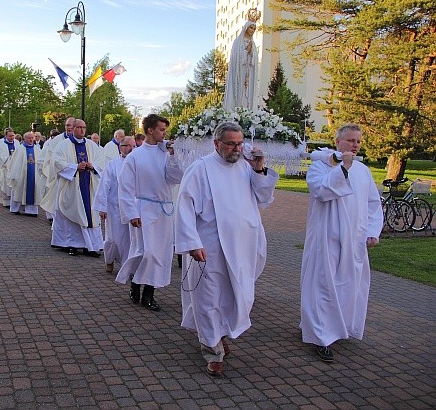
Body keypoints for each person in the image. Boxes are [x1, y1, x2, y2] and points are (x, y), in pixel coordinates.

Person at [175, 121, 279, 377]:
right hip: (209, 246)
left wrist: (259, 169)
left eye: (239, 143)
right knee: (208, 297)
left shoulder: (246, 167)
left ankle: (221, 334)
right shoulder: (201, 169)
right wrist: (192, 243)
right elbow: (185, 206)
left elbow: (264, 199)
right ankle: (212, 350)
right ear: (216, 143)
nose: (236, 148)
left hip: (242, 247)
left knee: (235, 295)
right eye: (231, 143)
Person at [300, 123, 383, 363]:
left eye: (358, 141)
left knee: (348, 283)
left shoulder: (363, 171)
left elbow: (372, 203)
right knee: (323, 284)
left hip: (354, 237)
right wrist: (342, 168)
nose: (355, 145)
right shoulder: (320, 167)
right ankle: (320, 336)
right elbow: (322, 191)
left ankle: (339, 326)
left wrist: (371, 231)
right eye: (350, 141)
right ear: (337, 142)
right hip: (326, 235)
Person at [116, 114, 183, 312]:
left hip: (164, 210)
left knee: (160, 254)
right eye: (161, 130)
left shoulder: (166, 154)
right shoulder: (135, 156)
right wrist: (131, 213)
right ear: (150, 130)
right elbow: (125, 187)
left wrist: (172, 156)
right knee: (146, 251)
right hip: (143, 209)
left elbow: (175, 178)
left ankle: (149, 293)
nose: (164, 133)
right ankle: (136, 282)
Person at [51, 119, 105, 256]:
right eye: (79, 127)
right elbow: (57, 162)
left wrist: (93, 166)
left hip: (89, 185)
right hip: (72, 185)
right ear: (73, 129)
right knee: (73, 213)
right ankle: (72, 244)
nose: (82, 130)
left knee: (90, 214)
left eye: (84, 127)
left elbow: (101, 161)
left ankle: (90, 246)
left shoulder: (92, 145)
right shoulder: (63, 146)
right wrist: (75, 167)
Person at [93, 136, 136, 273]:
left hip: (132, 207)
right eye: (127, 146)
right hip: (114, 206)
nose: (130, 149)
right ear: (120, 147)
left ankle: (127, 266)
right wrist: (102, 207)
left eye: (133, 146)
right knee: (114, 238)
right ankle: (109, 259)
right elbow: (104, 185)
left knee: (131, 239)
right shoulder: (113, 164)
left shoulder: (137, 164)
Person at [223, 9, 260, 112]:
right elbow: (236, 59)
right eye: (251, 28)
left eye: (254, 28)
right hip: (240, 73)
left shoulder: (253, 44)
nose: (252, 30)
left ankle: (248, 111)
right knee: (240, 94)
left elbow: (255, 61)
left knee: (247, 95)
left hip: (249, 74)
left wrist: (251, 53)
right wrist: (245, 52)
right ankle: (236, 109)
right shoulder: (238, 42)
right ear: (246, 28)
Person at [40, 118, 75, 221]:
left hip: (74, 176)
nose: (69, 127)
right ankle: (55, 219)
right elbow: (50, 157)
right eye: (67, 125)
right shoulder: (57, 140)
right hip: (59, 174)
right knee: (57, 199)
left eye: (71, 125)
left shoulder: (80, 140)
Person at [8, 131, 45, 216]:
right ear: (25, 138)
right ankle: (15, 209)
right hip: (21, 174)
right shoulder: (20, 149)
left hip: (34, 174)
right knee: (19, 190)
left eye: (32, 138)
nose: (31, 140)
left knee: (33, 190)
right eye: (29, 138)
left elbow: (40, 160)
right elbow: (15, 162)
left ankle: (31, 211)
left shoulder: (36, 148)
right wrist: (15, 174)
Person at [0, 128, 19, 204]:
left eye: (13, 136)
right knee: (5, 185)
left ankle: (14, 200)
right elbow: (1, 156)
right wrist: (10, 160)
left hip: (15, 167)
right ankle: (6, 201)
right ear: (5, 135)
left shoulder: (16, 143)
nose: (12, 137)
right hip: (5, 167)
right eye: (10, 136)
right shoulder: (1, 143)